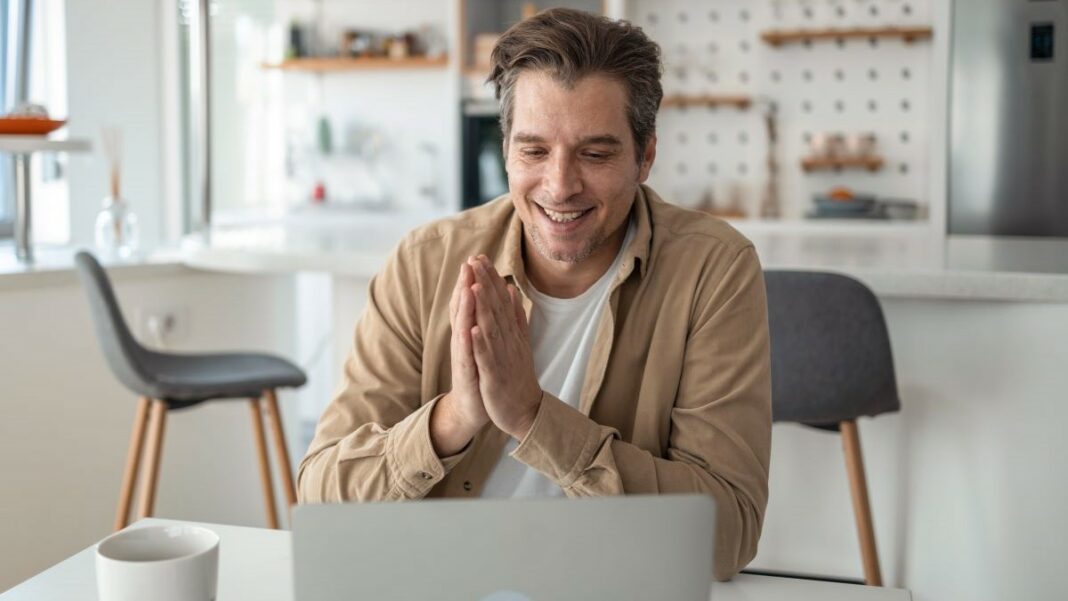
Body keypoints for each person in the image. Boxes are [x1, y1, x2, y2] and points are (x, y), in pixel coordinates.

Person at [297, 7, 771, 581]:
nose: (560, 186)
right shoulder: (425, 263)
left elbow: (728, 533)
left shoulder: (713, 269)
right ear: (505, 150)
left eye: (595, 154)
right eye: (534, 151)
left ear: (646, 155)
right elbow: (323, 498)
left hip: (613, 582)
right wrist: (455, 416)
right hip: (442, 577)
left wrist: (532, 416)